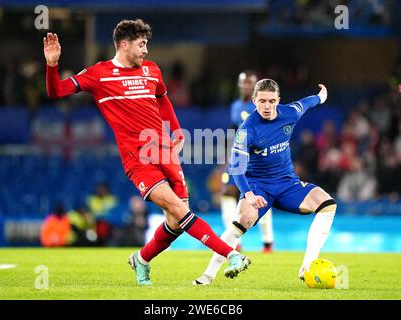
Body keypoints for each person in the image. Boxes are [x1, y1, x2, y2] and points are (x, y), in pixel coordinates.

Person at [43, 18, 249, 286]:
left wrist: (176, 131)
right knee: (178, 208)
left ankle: (141, 259)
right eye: (141, 45)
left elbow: (163, 99)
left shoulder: (151, 70)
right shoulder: (99, 74)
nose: (146, 51)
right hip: (138, 159)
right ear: (124, 44)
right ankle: (231, 254)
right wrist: (52, 65)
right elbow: (56, 90)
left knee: (176, 222)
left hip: (165, 153)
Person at [194, 79, 336, 285]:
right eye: (262, 101)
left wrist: (321, 97)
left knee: (327, 204)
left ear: (278, 100)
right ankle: (208, 274)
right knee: (243, 220)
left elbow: (307, 103)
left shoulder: (290, 112)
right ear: (254, 100)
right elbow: (236, 167)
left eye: (271, 101)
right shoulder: (247, 129)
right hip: (258, 187)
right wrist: (249, 194)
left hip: (288, 184)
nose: (267, 106)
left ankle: (307, 265)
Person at [220, 70, 274, 256]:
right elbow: (234, 131)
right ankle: (236, 242)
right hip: (238, 157)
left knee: (261, 197)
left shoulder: (261, 107)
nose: (246, 86)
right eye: (244, 83)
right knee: (227, 193)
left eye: (250, 83)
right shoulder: (235, 106)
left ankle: (267, 242)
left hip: (257, 160)